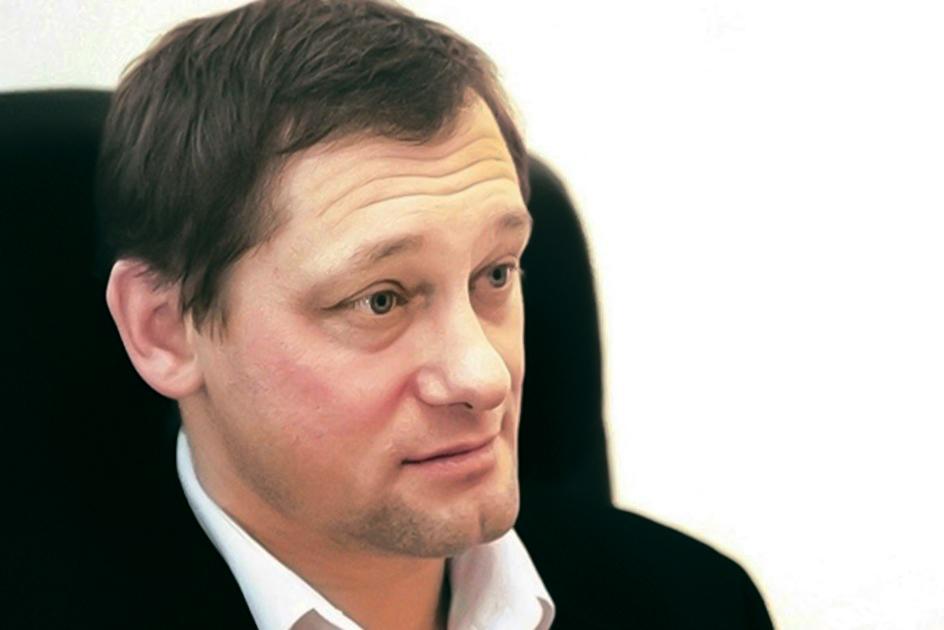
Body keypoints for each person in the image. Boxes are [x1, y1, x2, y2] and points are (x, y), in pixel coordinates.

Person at [94, 1, 775, 628]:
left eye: (496, 274)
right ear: (164, 330)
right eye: (380, 300)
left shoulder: (697, 603)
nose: (486, 378)